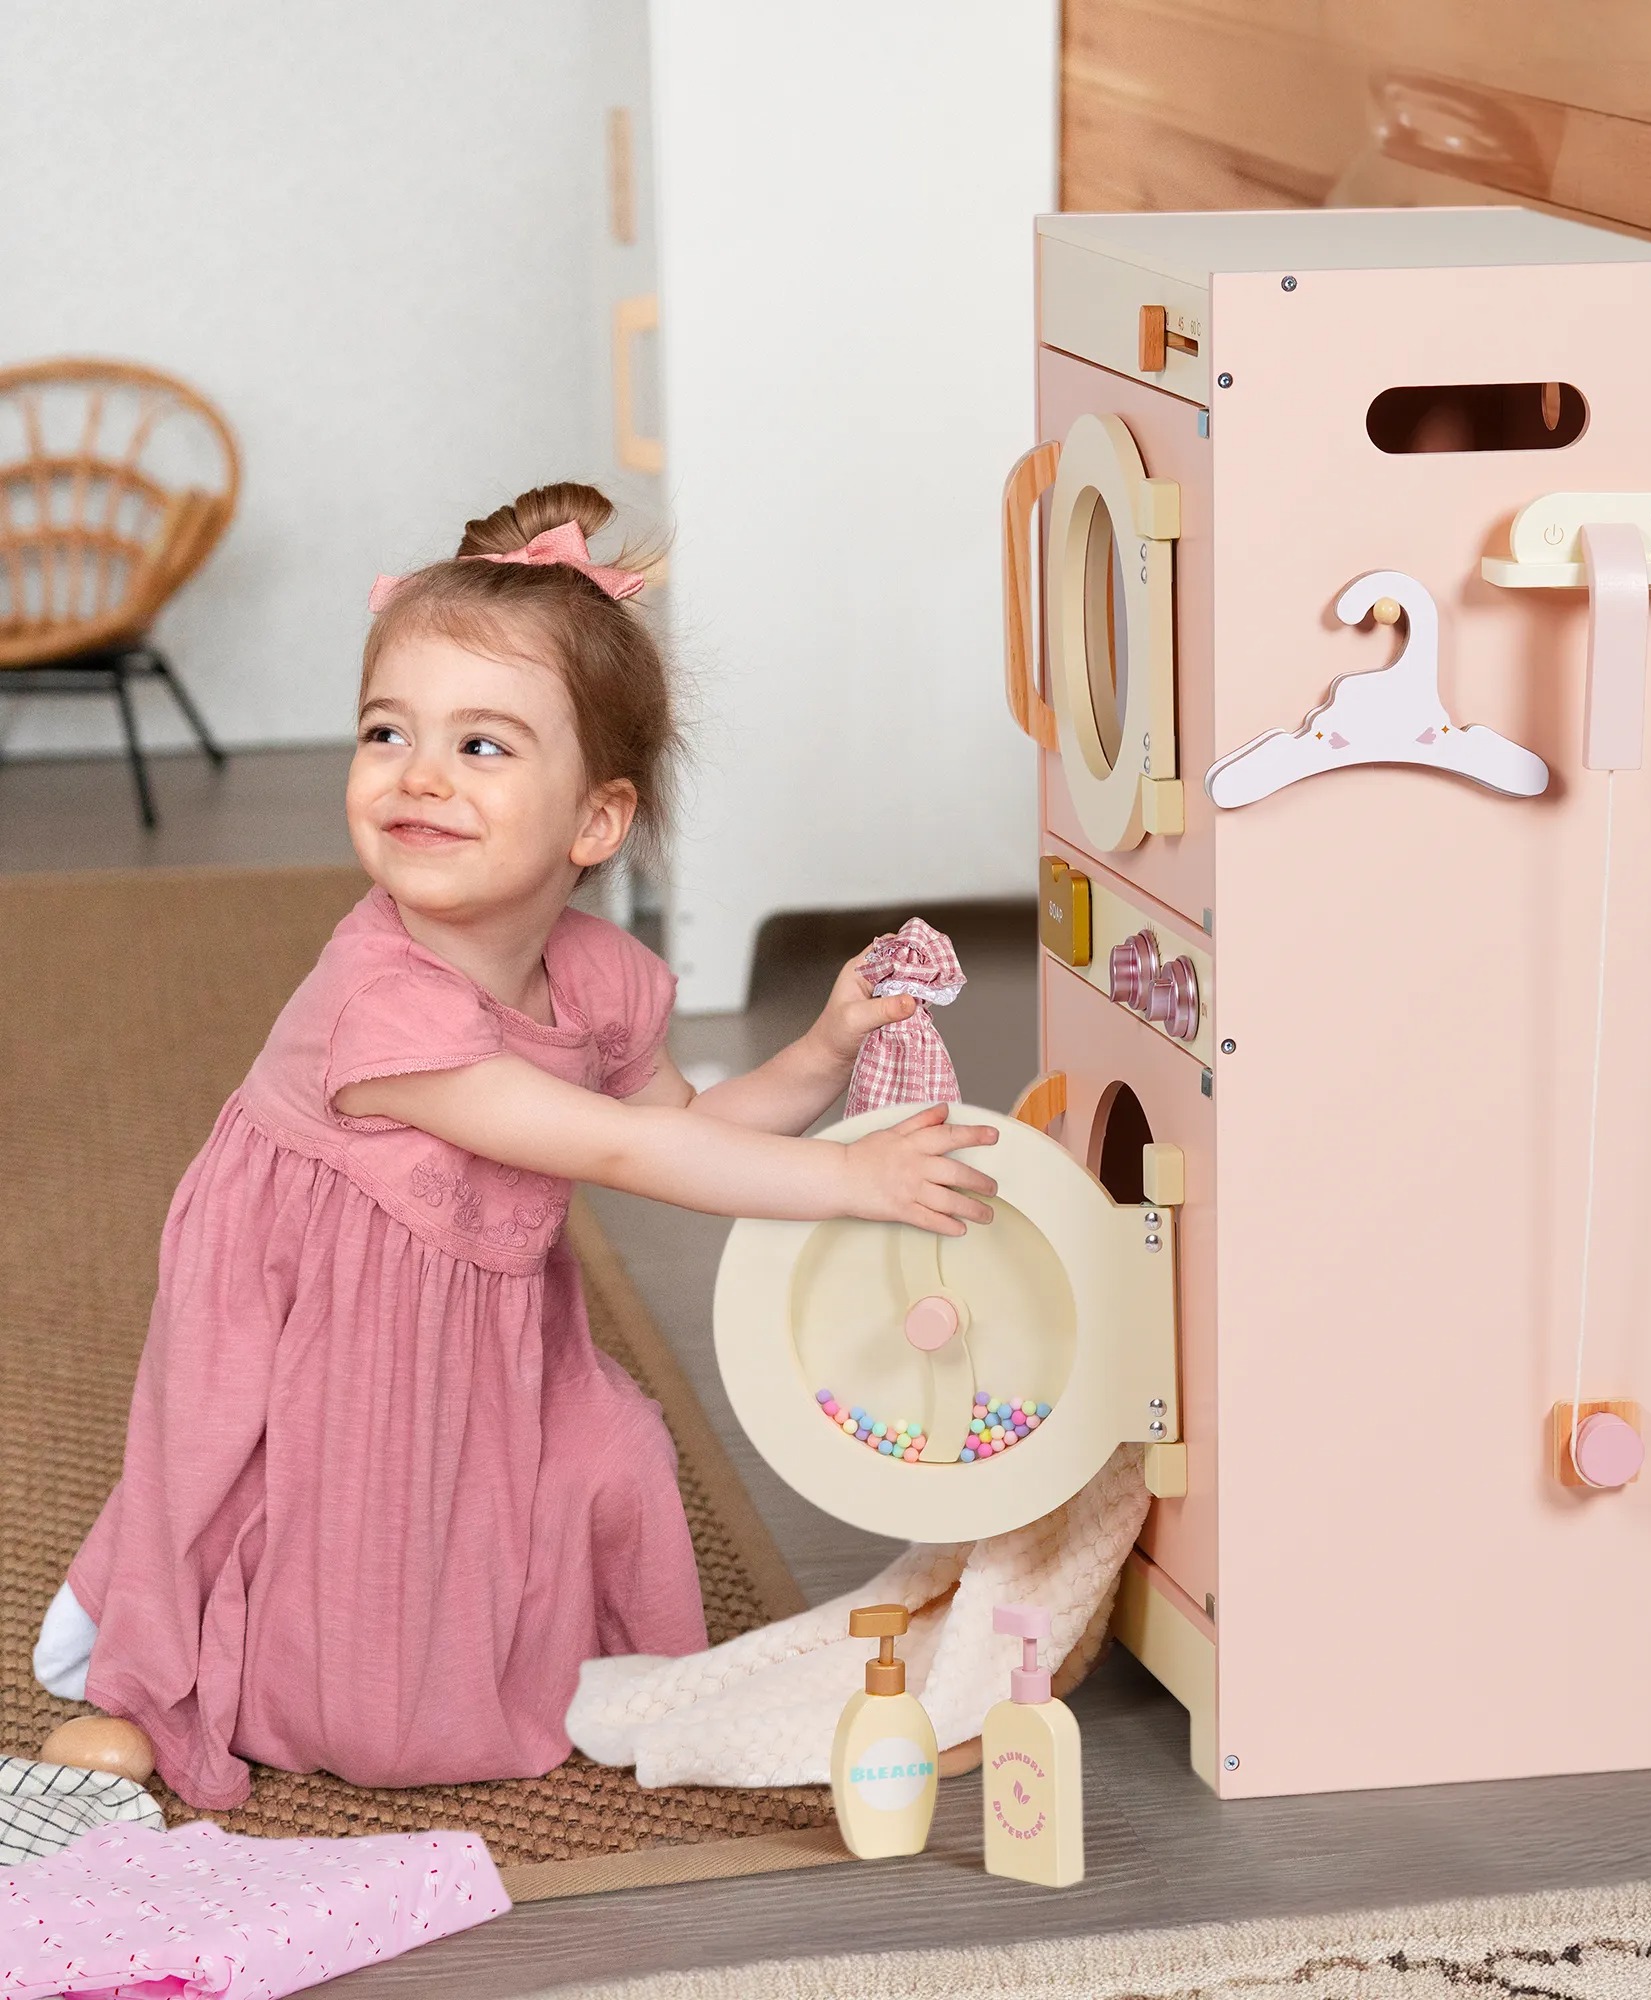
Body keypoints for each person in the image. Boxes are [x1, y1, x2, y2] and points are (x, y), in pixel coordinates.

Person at [33, 483, 998, 1810]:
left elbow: (677, 1132)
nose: (418, 774)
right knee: (319, 1588)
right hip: (322, 1304)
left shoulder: (594, 973)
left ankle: (556, 1647)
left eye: (481, 746)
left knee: (610, 1453)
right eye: (386, 732)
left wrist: (820, 1056)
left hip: (479, 1310)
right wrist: (844, 1179)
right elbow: (621, 1155)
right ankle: (150, 1664)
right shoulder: (383, 1008)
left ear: (595, 822)